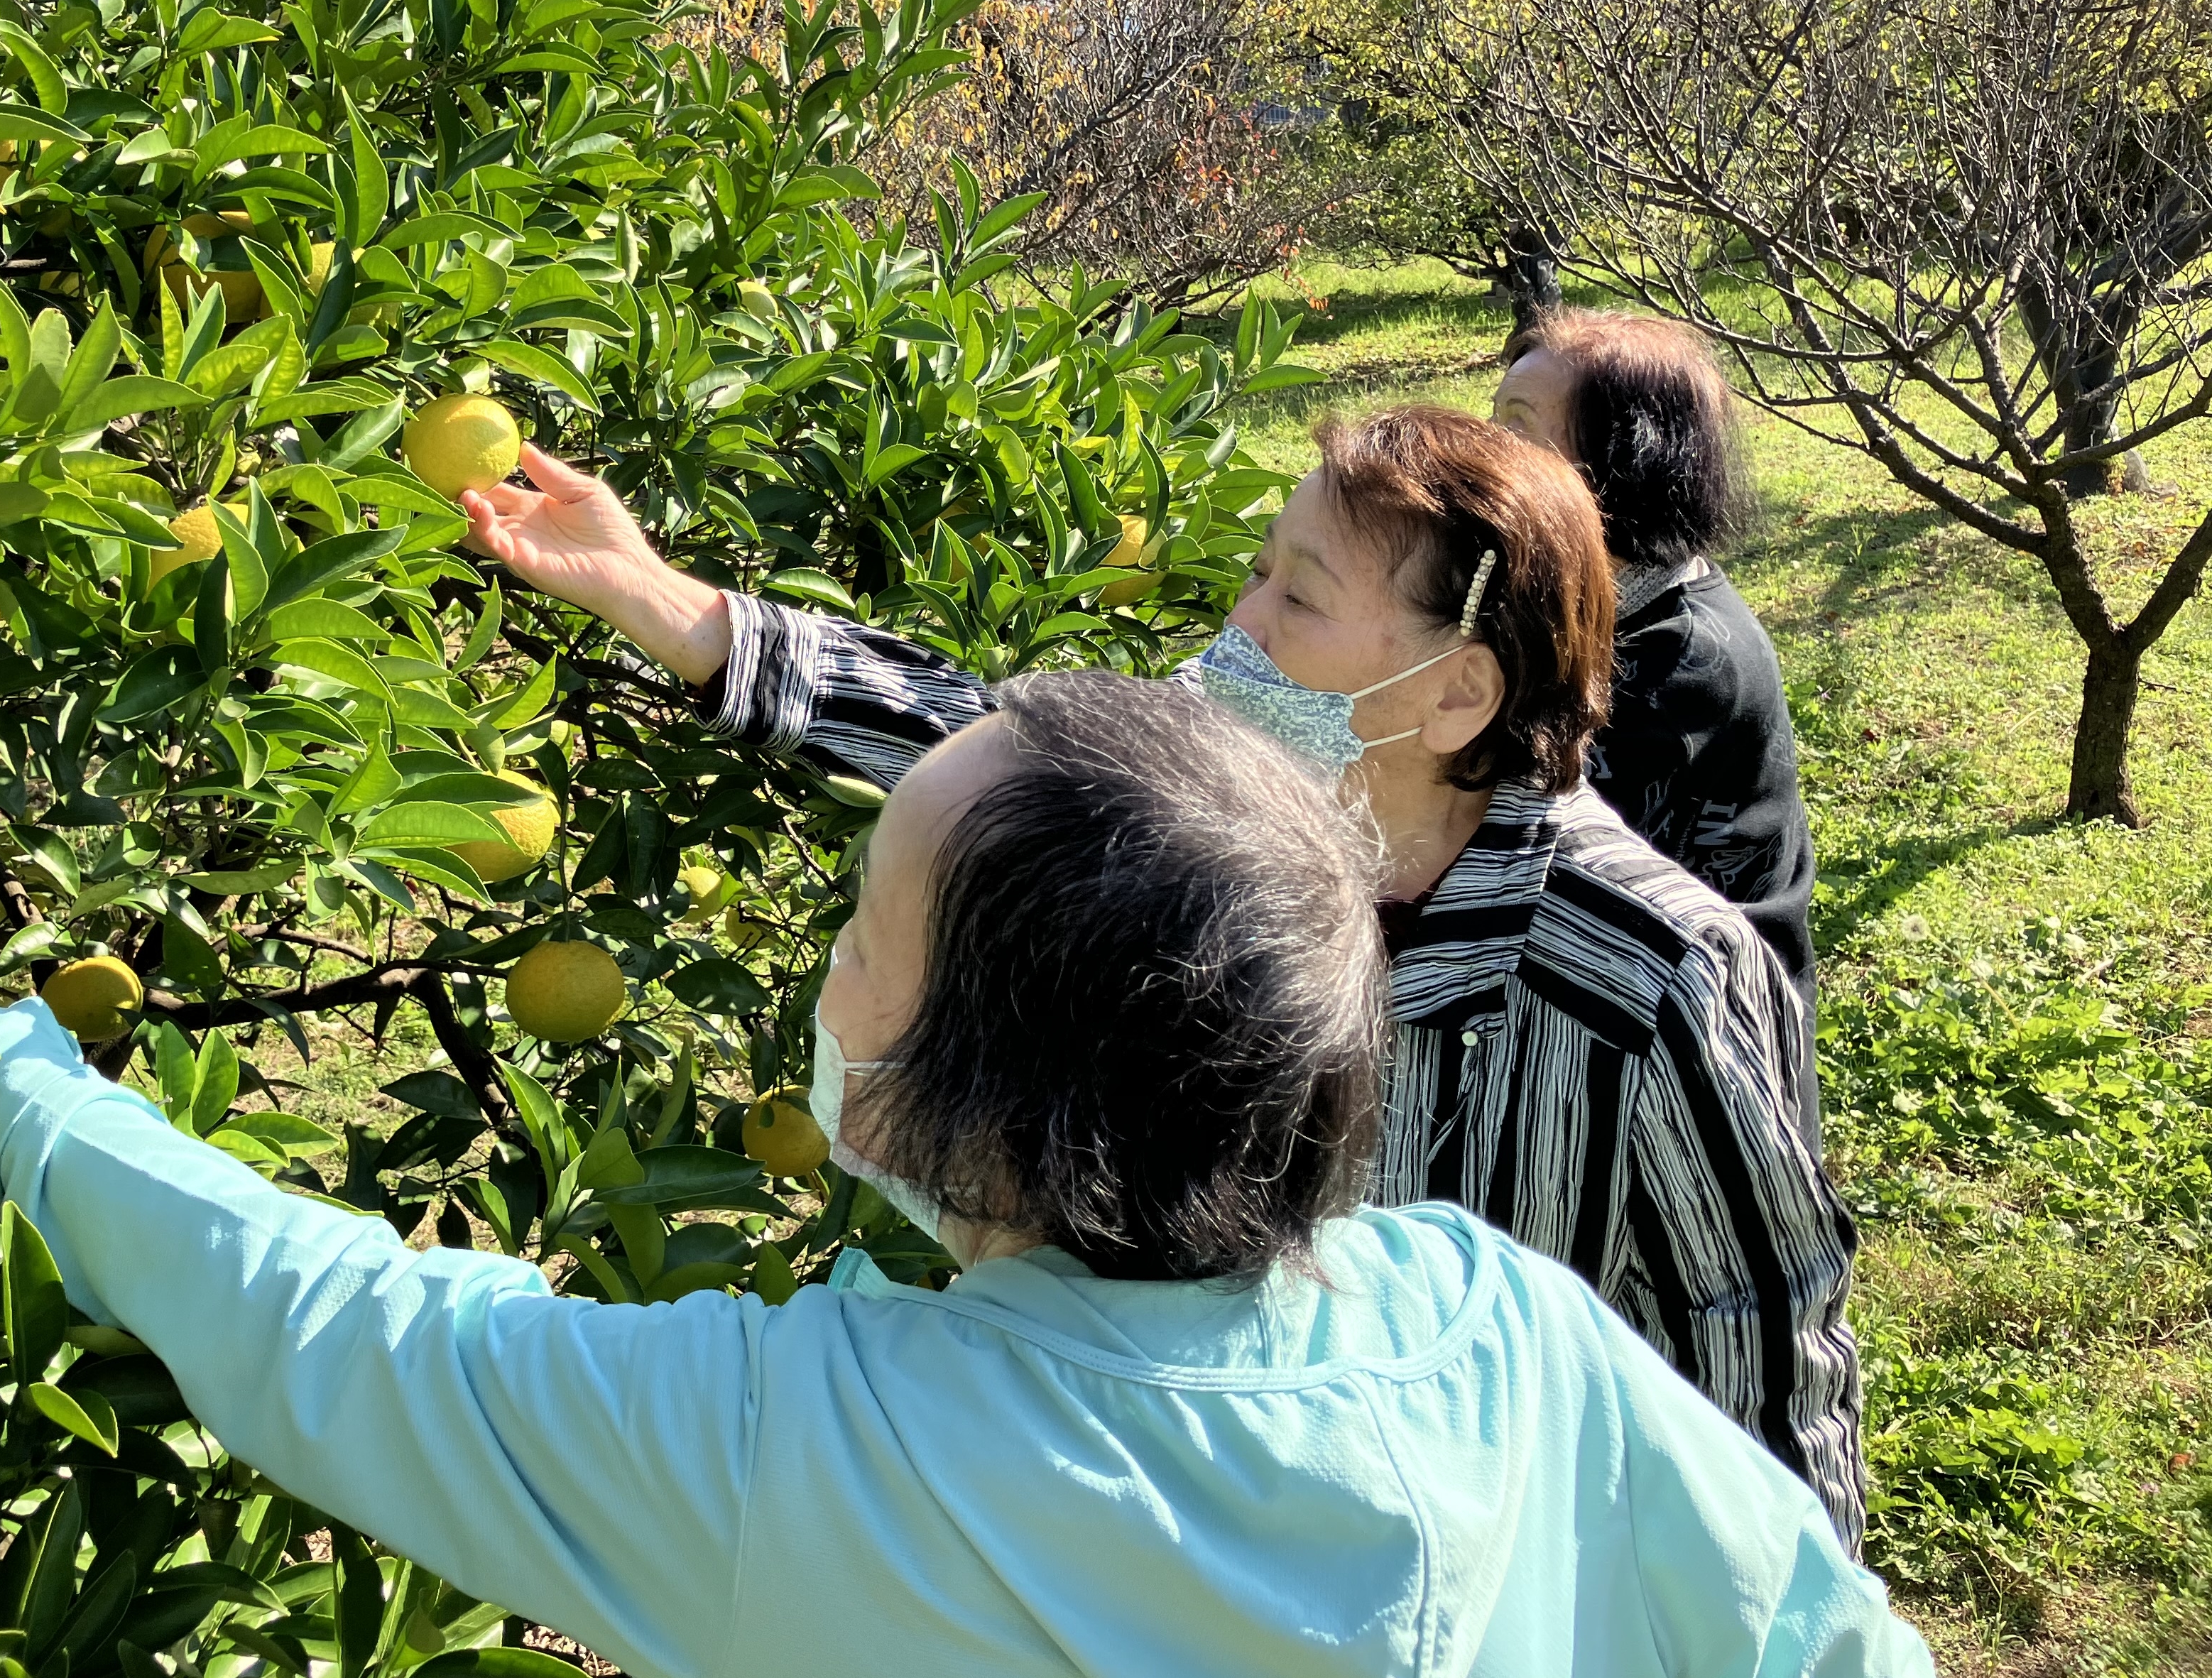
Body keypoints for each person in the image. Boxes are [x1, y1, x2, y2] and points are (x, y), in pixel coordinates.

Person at [0, 675, 1946, 1678]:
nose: (822, 974)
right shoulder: (1486, 1322)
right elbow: (1828, 1657)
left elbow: (341, 1329)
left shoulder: (799, 1451)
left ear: (974, 1084)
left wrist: (4, 1075)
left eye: (866, 933)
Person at [463, 406, 1868, 1550]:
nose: (1239, 625)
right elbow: (983, 759)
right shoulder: (1226, 819)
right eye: (1260, 570)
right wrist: (667, 602)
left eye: (1298, 597)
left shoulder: (1647, 979)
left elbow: (1762, 1360)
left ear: (1455, 696)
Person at [1492, 311, 1819, 1116]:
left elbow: (1511, 835)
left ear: (1618, 470)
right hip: (1606, 996)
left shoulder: (1686, 661)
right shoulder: (1575, 593)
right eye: (1493, 419)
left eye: (1520, 432)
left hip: (1699, 1054)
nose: (1486, 455)